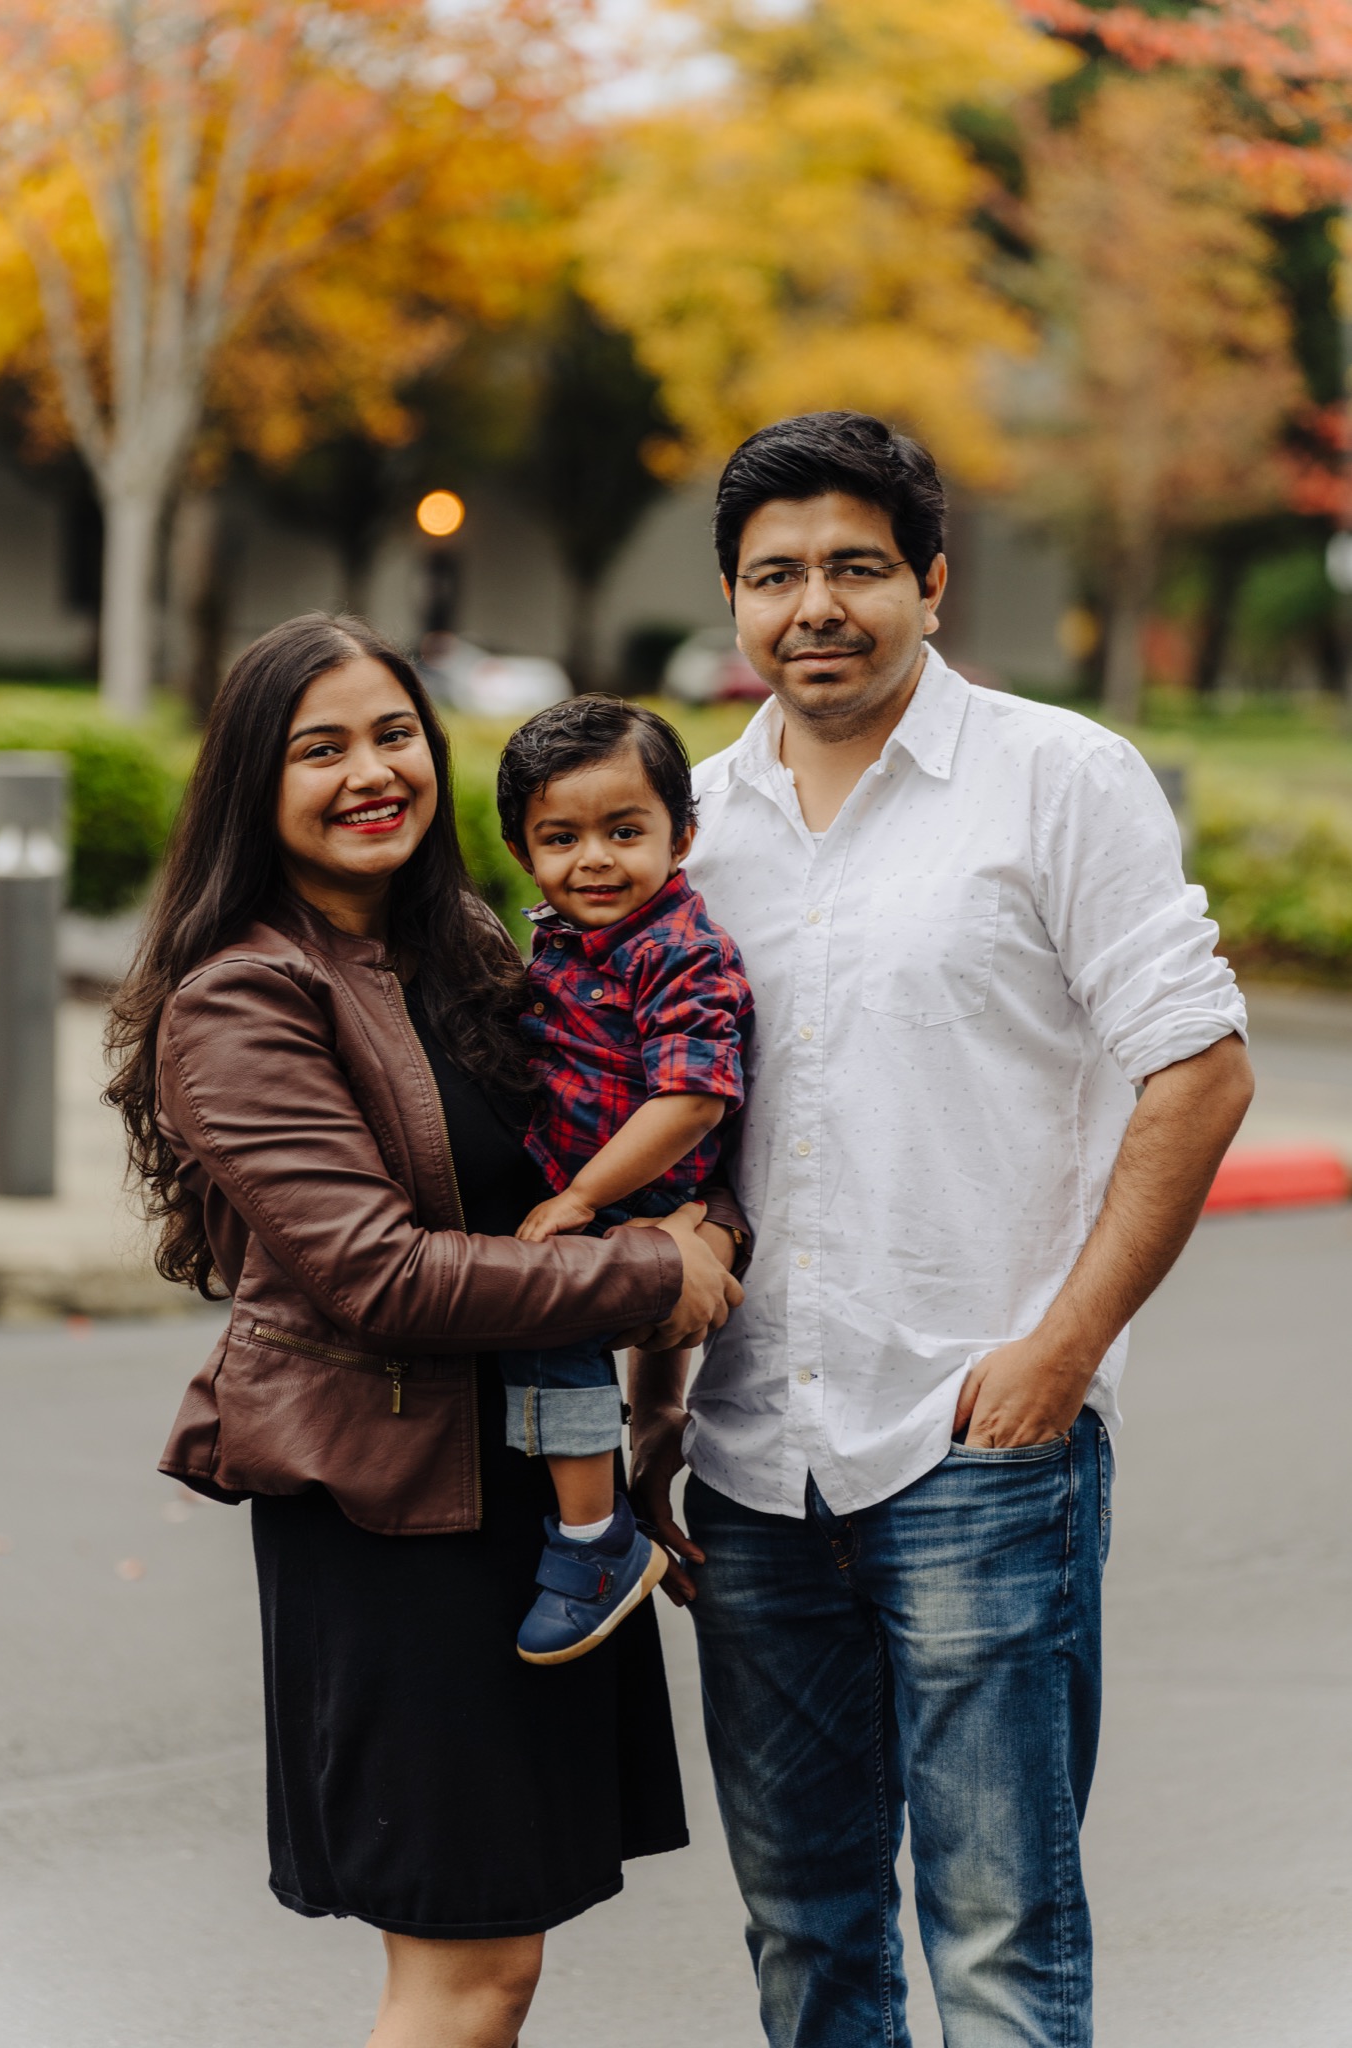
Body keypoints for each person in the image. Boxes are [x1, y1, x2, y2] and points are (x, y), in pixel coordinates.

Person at [629, 412, 1255, 2048]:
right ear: (732, 598)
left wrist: (1064, 1348)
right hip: (755, 1468)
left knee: (998, 1939)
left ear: (932, 580)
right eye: (776, 575)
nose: (813, 605)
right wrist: (654, 1402)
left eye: (855, 566)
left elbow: (1199, 1072)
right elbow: (660, 1128)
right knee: (808, 1934)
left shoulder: (1057, 777)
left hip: (980, 1445)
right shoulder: (689, 820)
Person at [104, 613, 746, 2048]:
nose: (369, 772)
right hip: (400, 1525)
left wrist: (649, 1417)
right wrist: (658, 1270)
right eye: (318, 748)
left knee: (500, 1962)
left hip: (536, 1494)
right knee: (460, 1972)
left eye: (393, 733)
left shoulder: (460, 949)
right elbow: (381, 1279)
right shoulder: (244, 999)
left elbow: (608, 1155)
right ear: (251, 787)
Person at [493, 698, 752, 1664]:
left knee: (551, 1326)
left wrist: (579, 1200)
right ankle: (642, 1442)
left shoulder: (681, 950)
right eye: (560, 837)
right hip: (618, 1202)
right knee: (563, 1341)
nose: (593, 859)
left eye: (624, 831)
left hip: (643, 1201)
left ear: (682, 836)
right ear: (523, 852)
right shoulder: (561, 940)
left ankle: (591, 1541)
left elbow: (692, 1100)